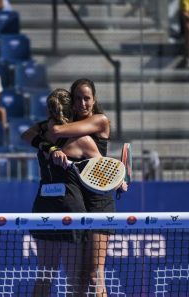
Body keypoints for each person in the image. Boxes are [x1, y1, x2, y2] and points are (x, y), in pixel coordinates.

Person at [48, 78, 127, 297]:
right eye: (78, 99)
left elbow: (54, 130)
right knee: (78, 279)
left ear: (94, 100)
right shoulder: (69, 127)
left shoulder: (100, 120)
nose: (83, 103)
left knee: (95, 274)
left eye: (87, 98)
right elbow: (43, 137)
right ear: (72, 102)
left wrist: (54, 140)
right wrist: (54, 149)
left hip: (100, 203)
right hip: (78, 205)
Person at [22, 88, 102, 297]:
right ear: (72, 109)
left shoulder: (40, 134)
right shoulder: (83, 140)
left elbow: (26, 134)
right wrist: (52, 149)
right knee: (73, 279)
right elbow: (104, 173)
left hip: (46, 209)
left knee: (45, 275)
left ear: (48, 111)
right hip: (68, 212)